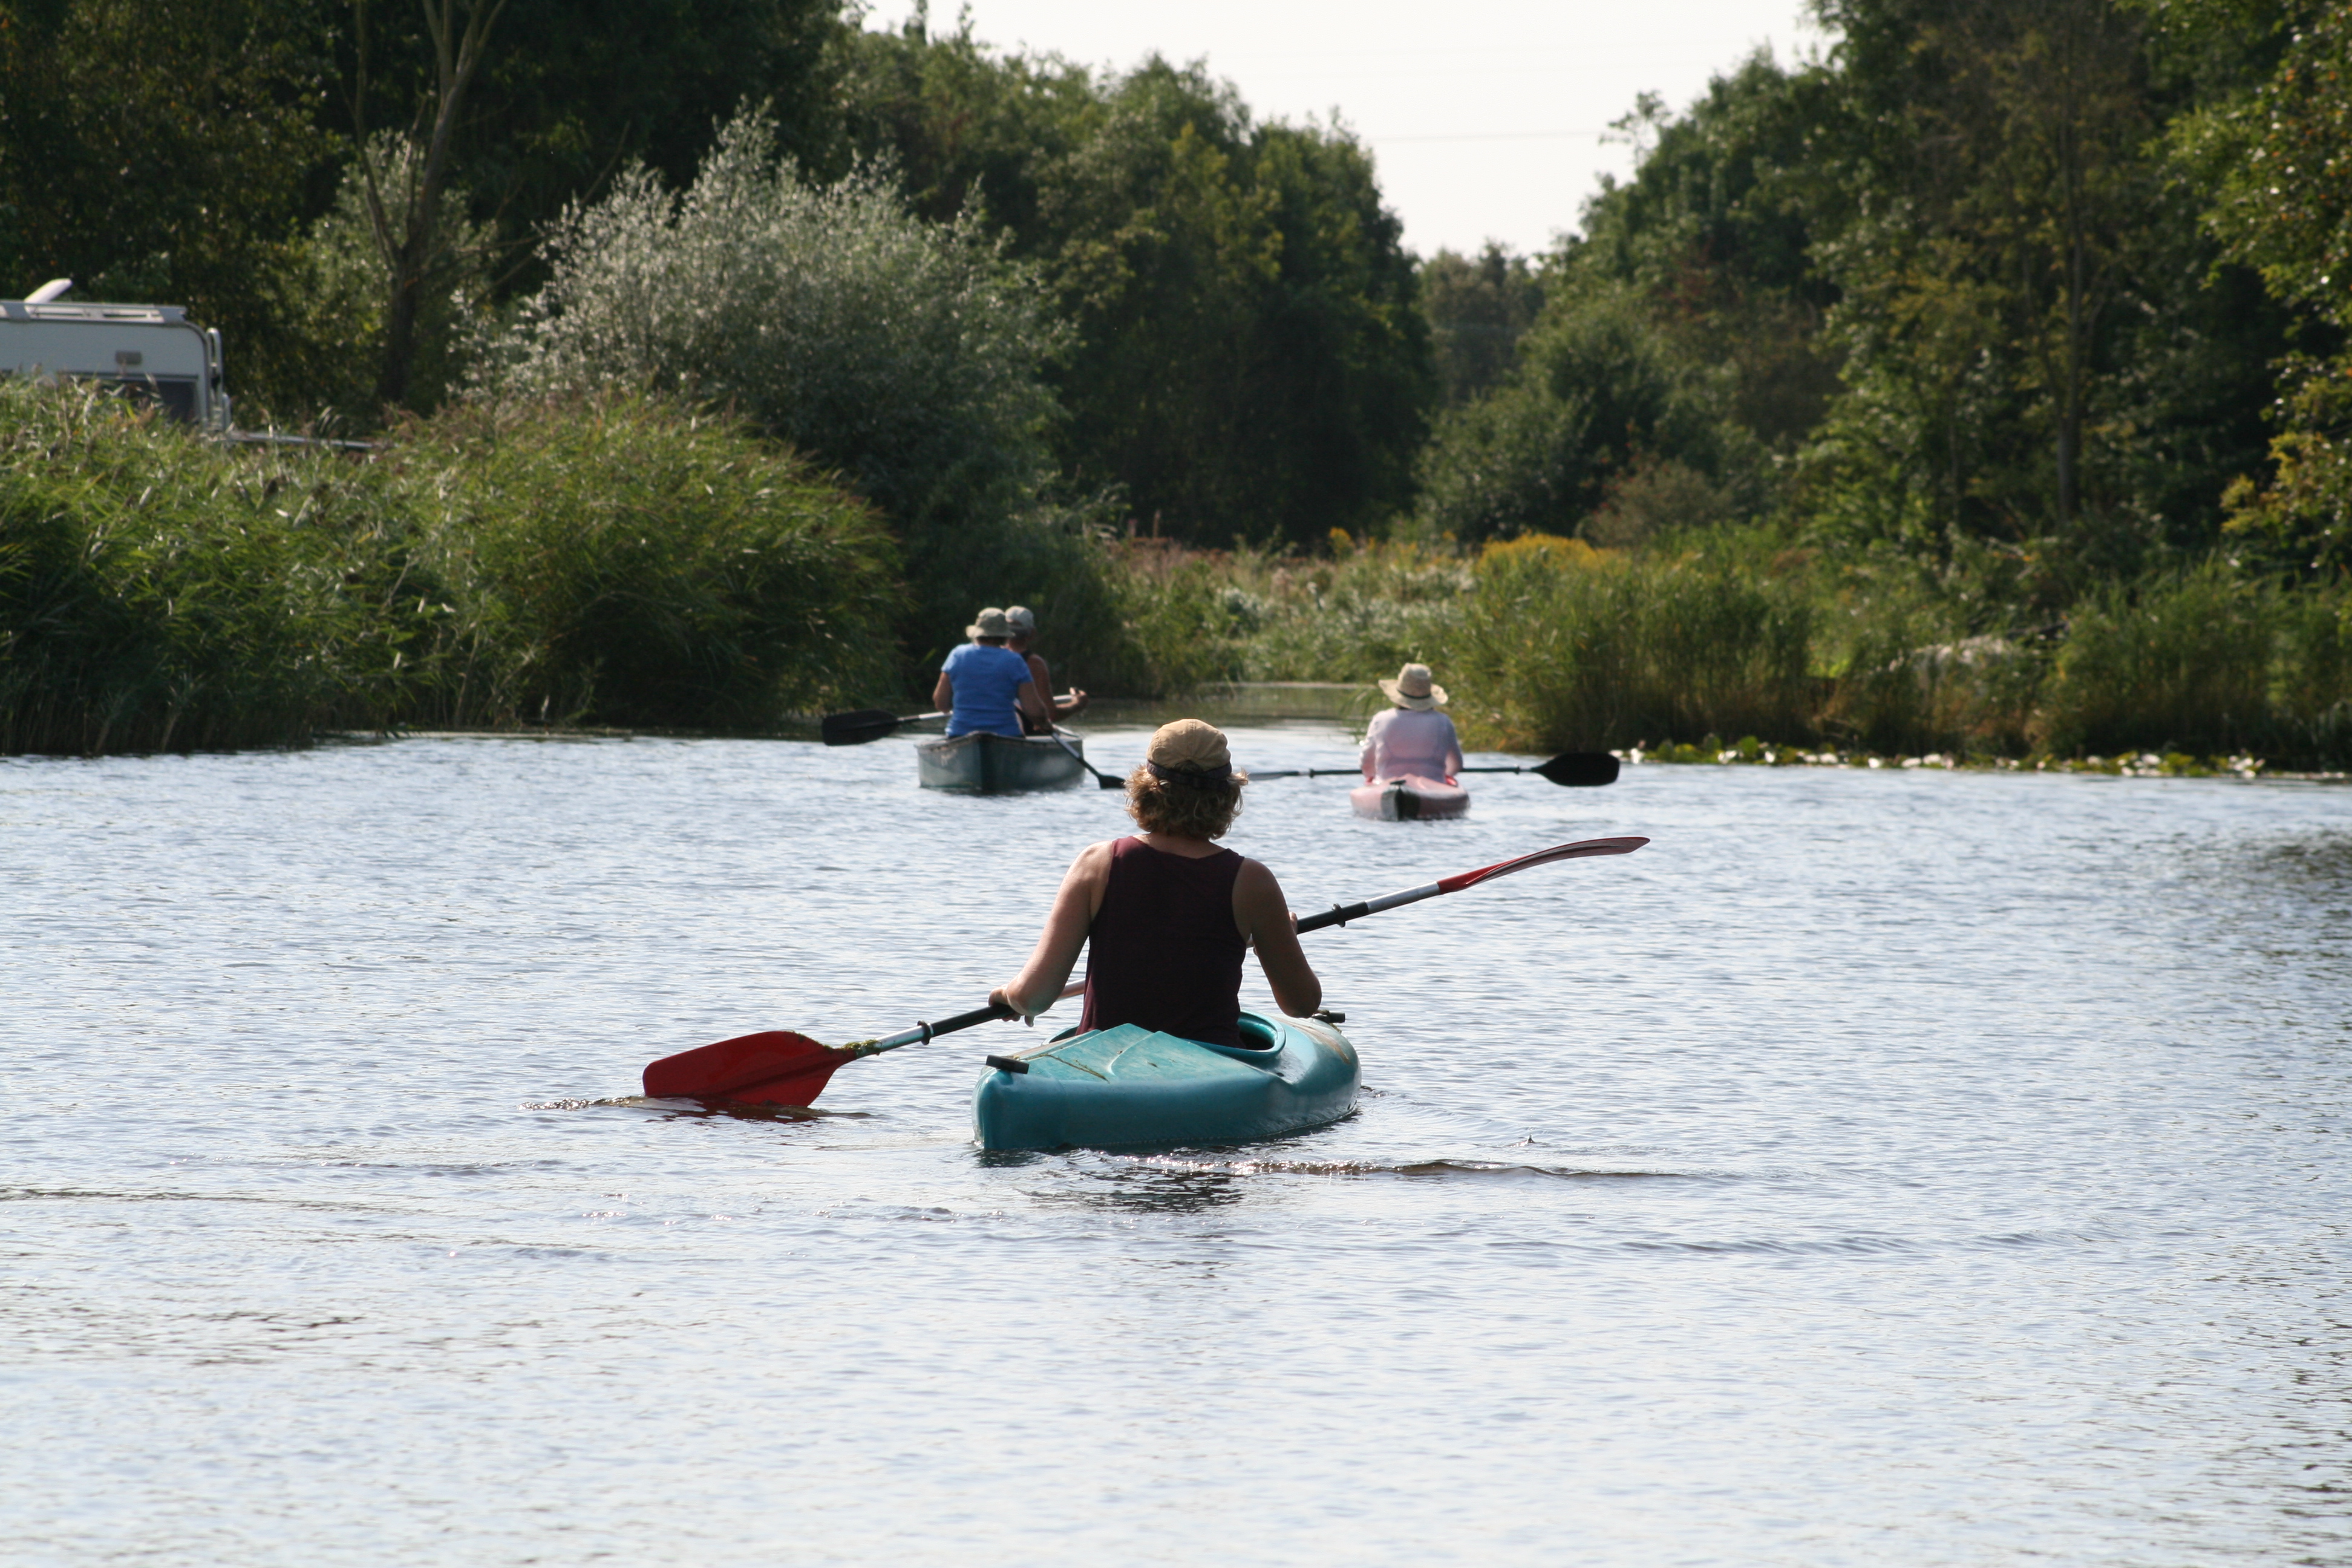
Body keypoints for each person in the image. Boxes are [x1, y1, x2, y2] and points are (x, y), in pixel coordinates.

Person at [991, 719, 1321, 1046]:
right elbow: (1302, 1004)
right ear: (1227, 796)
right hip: (1212, 1067)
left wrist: (1008, 994)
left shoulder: (1097, 863)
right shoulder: (1253, 882)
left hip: (1104, 1064)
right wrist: (1278, 939)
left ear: (1144, 789)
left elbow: (1034, 998)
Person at [935, 607, 1050, 739]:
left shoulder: (957, 655)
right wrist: (1044, 723)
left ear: (977, 633)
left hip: (960, 733)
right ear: (1005, 636)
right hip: (1006, 735)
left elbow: (941, 704)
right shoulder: (1014, 660)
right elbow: (1035, 711)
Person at [1360, 662, 1464, 782]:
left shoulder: (1381, 719)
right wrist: (1443, 776)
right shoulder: (1443, 721)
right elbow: (1456, 765)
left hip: (1386, 783)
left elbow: (1367, 766)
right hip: (1434, 785)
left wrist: (1373, 778)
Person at [1004, 605, 1088, 735]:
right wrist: (1077, 705)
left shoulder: (990, 657)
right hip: (1024, 731)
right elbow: (1051, 714)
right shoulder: (1034, 663)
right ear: (1032, 634)